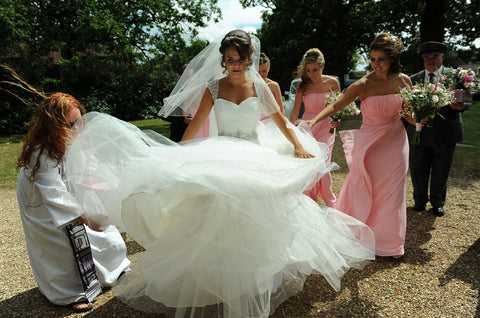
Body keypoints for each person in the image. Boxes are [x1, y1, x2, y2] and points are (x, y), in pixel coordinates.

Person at [65, 30, 375, 318]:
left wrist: (297, 145)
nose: (235, 65)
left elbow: (280, 119)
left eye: (240, 60)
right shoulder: (213, 87)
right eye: (229, 60)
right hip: (222, 153)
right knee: (215, 210)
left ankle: (256, 276)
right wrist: (176, 155)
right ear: (222, 60)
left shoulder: (260, 87)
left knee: (262, 210)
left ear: (248, 59)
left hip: (254, 155)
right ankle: (221, 276)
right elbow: (197, 123)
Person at [15, 88, 130, 312]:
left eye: (79, 122)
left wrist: (102, 188)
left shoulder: (74, 138)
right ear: (54, 127)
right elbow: (53, 191)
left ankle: (112, 269)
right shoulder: (41, 152)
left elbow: (83, 170)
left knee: (104, 232)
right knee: (59, 245)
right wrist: (84, 217)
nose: (77, 128)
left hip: (62, 194)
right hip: (39, 202)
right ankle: (68, 293)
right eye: (70, 125)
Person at [304, 33, 414, 258]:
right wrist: (313, 120)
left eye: (381, 59)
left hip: (395, 140)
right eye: (373, 59)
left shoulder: (404, 81)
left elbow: (409, 114)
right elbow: (336, 104)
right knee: (364, 186)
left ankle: (390, 244)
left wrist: (421, 118)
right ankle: (361, 234)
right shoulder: (362, 84)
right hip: (369, 142)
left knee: (393, 191)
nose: (376, 64)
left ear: (392, 59)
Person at [405, 41, 465, 217]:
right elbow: (404, 106)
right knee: (417, 169)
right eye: (426, 57)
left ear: (443, 57)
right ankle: (419, 201)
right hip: (418, 133)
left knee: (441, 170)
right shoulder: (412, 79)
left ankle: (437, 202)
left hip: (445, 132)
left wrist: (460, 105)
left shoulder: (455, 77)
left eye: (434, 57)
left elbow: (467, 100)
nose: (430, 60)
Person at [289, 48, 340, 207]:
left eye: (315, 70)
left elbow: (338, 107)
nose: (312, 74)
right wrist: (291, 134)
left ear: (322, 66)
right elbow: (294, 114)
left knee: (324, 164)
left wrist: (338, 119)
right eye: (308, 70)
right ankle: (309, 201)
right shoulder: (302, 86)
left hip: (327, 126)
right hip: (307, 128)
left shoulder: (333, 83)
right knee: (309, 164)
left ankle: (330, 201)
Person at [160, 64, 192, 142]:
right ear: (180, 76)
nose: (190, 79)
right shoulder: (172, 92)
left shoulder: (200, 91)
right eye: (187, 76)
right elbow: (164, 114)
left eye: (191, 76)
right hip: (179, 134)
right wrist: (183, 120)